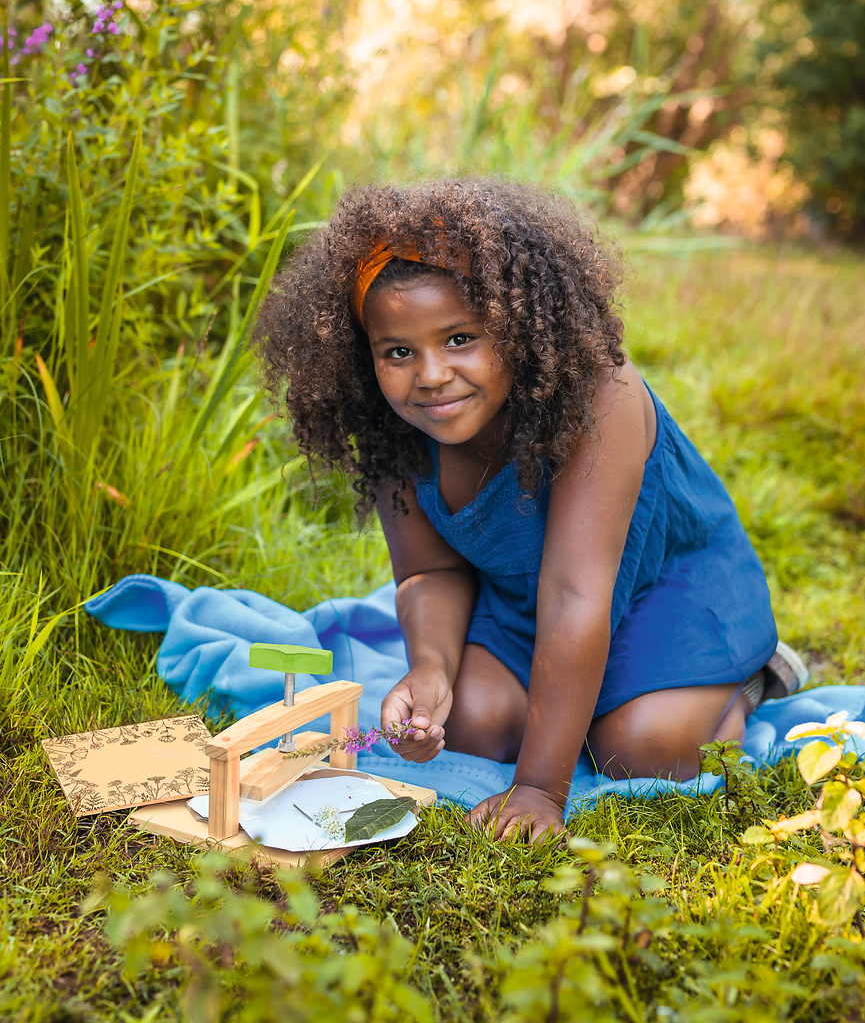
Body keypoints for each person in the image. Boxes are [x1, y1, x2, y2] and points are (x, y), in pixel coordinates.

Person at [255, 179, 806, 842]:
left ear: (517, 326)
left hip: (669, 588)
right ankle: (565, 710)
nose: (429, 374)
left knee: (637, 749)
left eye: (460, 338)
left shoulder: (600, 397)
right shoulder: (393, 425)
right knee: (471, 723)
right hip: (526, 599)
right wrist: (431, 666)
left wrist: (541, 787)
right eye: (398, 351)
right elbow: (429, 574)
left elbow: (577, 594)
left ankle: (748, 682)